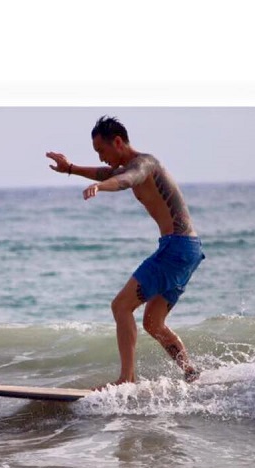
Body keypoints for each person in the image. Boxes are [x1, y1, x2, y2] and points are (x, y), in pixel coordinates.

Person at [46, 115, 204, 387]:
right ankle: (191, 372)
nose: (101, 157)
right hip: (188, 250)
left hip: (176, 247)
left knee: (121, 306)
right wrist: (70, 168)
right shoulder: (130, 166)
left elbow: (126, 180)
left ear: (117, 142)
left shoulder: (144, 164)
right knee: (153, 323)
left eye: (102, 150)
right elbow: (106, 173)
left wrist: (99, 187)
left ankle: (126, 380)